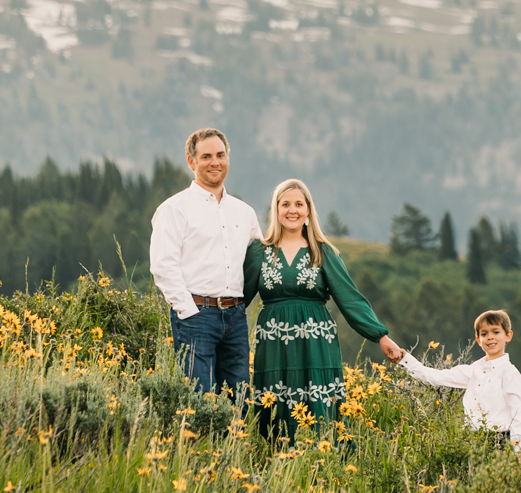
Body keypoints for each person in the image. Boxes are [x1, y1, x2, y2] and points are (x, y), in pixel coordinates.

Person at [245, 177, 403, 436]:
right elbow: (237, 296)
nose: (292, 210)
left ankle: (324, 460)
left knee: (319, 402)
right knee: (274, 399)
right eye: (285, 204)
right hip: (273, 343)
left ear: (308, 209)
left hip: (315, 341)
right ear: (276, 209)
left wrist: (381, 337)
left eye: (298, 204)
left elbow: (350, 298)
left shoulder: (323, 252)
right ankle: (275, 462)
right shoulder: (259, 252)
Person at [149, 128, 257, 398]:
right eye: (206, 156)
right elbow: (163, 267)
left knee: (239, 397)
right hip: (196, 315)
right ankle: (200, 443)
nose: (215, 162)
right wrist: (187, 311)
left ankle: (235, 443)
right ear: (191, 161)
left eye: (221, 155)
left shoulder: (244, 213)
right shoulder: (174, 209)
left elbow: (261, 261)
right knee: (199, 399)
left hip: (235, 317)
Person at [394, 307, 521, 448]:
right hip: (472, 441)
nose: (490, 337)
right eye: (484, 334)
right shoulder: (474, 370)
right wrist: (403, 359)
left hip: (500, 442)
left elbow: (520, 413)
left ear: (508, 335)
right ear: (478, 339)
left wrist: (519, 452)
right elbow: (437, 377)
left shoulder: (509, 373)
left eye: (496, 332)